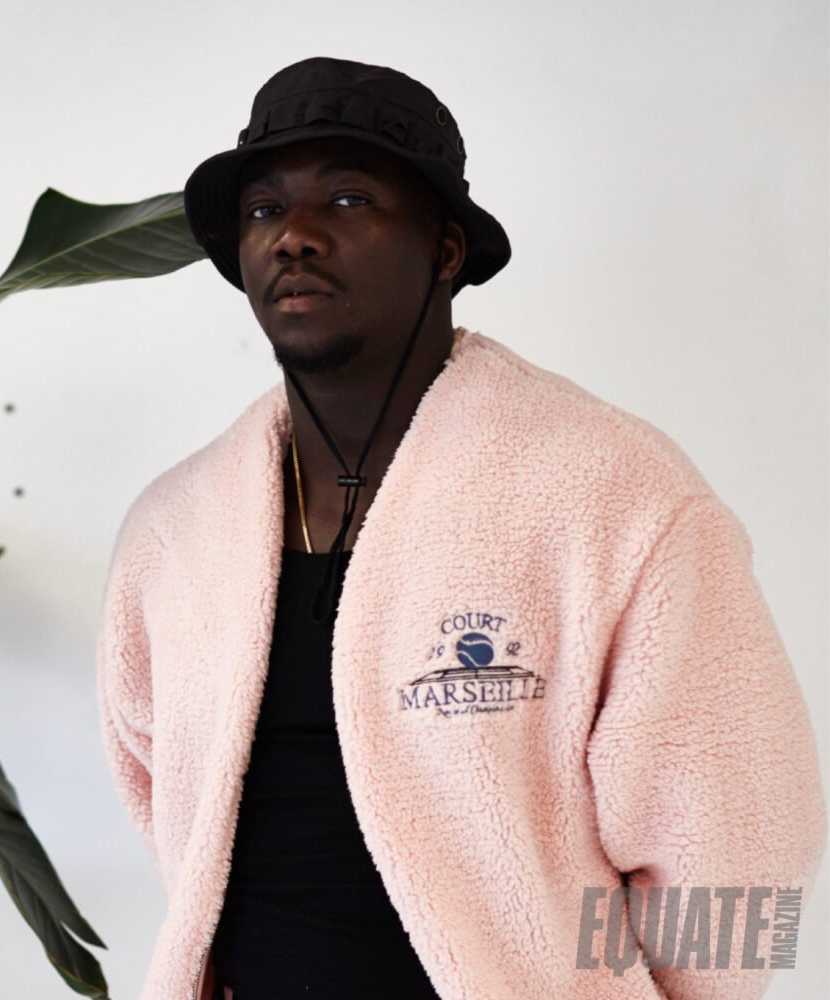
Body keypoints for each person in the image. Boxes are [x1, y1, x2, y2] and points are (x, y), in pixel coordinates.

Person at [97, 57, 825, 1000]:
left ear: (445, 251)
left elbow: (741, 844)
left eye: (349, 199)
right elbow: (169, 813)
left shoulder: (616, 496)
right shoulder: (173, 533)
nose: (295, 236)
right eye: (264, 208)